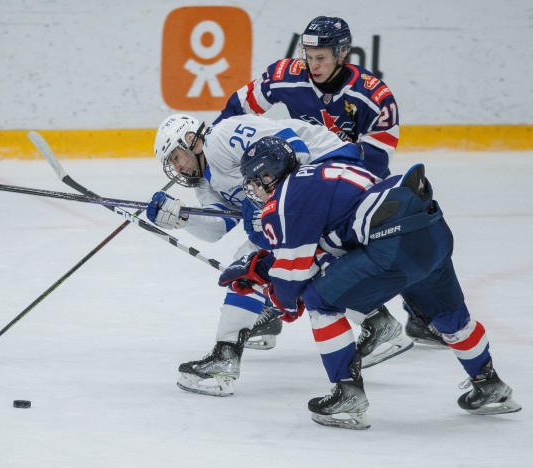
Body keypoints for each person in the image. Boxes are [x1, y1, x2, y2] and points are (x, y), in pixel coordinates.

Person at [218, 136, 521, 429]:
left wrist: (279, 298)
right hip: (432, 232)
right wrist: (268, 268)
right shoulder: (325, 169)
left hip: (393, 242)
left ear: (268, 175)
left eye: (254, 182)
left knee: (320, 300)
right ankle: (489, 384)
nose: (254, 192)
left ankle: (348, 394)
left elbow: (292, 275)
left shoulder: (283, 200)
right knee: (450, 318)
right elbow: (329, 246)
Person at [146, 113, 412, 397]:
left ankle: (224, 359)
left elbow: (291, 148)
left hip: (331, 169)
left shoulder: (222, 136)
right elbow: (218, 226)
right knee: (301, 266)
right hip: (311, 187)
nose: (177, 167)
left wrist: (271, 203)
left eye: (176, 157)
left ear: (191, 140)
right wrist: (180, 218)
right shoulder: (205, 183)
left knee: (253, 263)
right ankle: (378, 322)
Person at [215, 15, 443, 346]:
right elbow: (236, 109)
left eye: (321, 57)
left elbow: (373, 167)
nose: (313, 65)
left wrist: (330, 205)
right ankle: (268, 307)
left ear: (342, 53)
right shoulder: (285, 76)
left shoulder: (374, 97)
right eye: (308, 56)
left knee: (393, 234)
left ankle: (424, 315)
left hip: (347, 183)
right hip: (297, 182)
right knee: (273, 235)